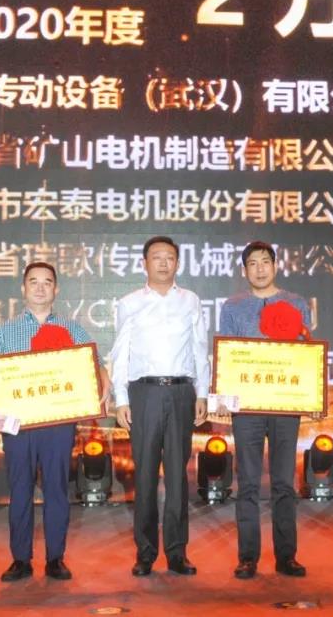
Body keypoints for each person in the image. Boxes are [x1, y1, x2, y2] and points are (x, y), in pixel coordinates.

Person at [0, 261, 107, 583]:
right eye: (33, 281)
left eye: (47, 282)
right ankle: (20, 559)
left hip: (57, 424)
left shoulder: (73, 330)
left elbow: (97, 365)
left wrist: (103, 389)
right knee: (20, 489)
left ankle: (55, 558)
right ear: (23, 288)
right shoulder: (5, 331)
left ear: (56, 289)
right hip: (17, 425)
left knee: (56, 488)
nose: (39, 287)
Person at [111, 236, 210, 577]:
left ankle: (177, 552)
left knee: (178, 477)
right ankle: (145, 552)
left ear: (178, 263)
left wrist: (202, 393)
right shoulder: (130, 303)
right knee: (145, 475)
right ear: (144, 263)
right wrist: (121, 399)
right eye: (157, 257)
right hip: (145, 393)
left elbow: (199, 349)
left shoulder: (190, 300)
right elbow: (120, 354)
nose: (164, 263)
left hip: (182, 392)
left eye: (170, 257)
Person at [217, 241, 314, 579]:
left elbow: (306, 353)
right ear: (244, 270)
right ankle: (248, 557)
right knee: (247, 482)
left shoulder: (296, 303)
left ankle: (287, 556)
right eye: (252, 263)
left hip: (286, 404)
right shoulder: (232, 306)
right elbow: (227, 353)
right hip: (247, 407)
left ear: (275, 265)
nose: (259, 269)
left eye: (265, 262)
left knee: (284, 482)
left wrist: (311, 397)